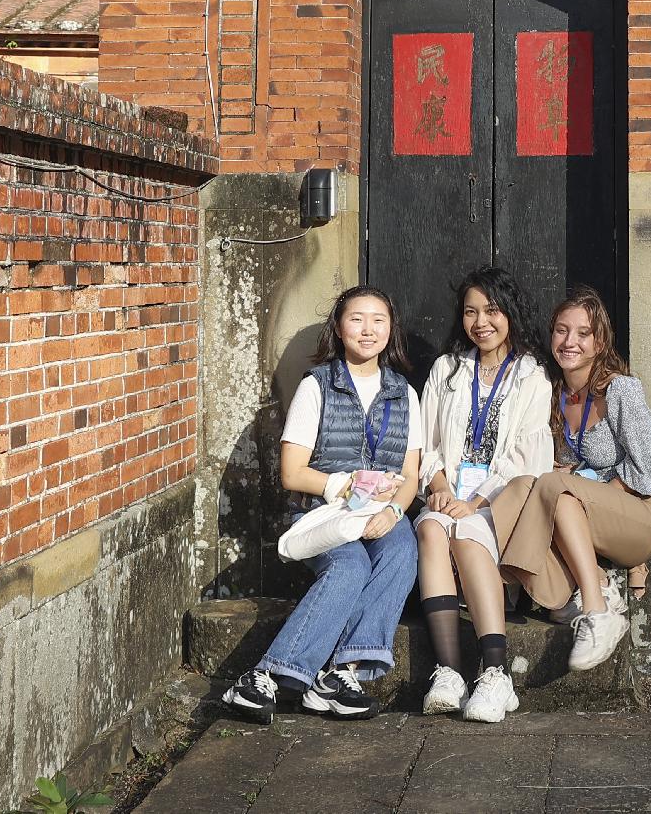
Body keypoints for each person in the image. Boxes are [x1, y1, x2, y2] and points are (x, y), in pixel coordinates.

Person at [223, 285, 422, 724]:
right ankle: (265, 678)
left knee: (403, 548)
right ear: (339, 326)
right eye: (357, 319)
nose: (367, 330)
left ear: (391, 329)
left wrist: (392, 512)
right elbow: (292, 473)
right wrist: (342, 485)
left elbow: (411, 474)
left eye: (378, 320)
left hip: (381, 511)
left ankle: (340, 674)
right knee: (350, 566)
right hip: (324, 512)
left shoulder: (403, 393)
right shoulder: (318, 387)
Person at [493, 285, 651, 673]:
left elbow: (649, 463)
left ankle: (597, 612)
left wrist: (588, 490)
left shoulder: (620, 390)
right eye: (561, 331)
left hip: (636, 516)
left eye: (582, 333)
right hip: (577, 515)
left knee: (555, 488)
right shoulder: (550, 393)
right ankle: (576, 587)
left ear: (599, 341)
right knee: (522, 486)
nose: (569, 342)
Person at [413, 266, 554, 722]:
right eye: (471, 312)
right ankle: (450, 671)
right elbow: (427, 443)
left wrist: (473, 502)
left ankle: (495, 674)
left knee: (468, 532)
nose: (481, 322)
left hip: (500, 502)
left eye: (492, 311)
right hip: (448, 492)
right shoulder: (448, 370)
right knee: (431, 529)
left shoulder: (531, 377)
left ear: (509, 314)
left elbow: (525, 461)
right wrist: (438, 487)